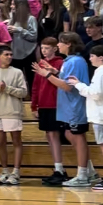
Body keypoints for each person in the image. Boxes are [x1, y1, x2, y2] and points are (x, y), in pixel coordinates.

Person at [33, 32, 98, 187]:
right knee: (69, 134)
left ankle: (83, 174)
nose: (59, 45)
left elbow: (67, 86)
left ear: (68, 44)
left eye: (61, 42)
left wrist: (47, 74)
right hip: (68, 108)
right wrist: (55, 72)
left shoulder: (74, 61)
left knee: (77, 137)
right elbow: (66, 79)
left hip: (74, 106)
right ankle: (90, 171)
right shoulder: (70, 61)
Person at [69, 44, 103, 190]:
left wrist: (78, 85)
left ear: (101, 58)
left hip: (101, 114)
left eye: (92, 56)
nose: (90, 58)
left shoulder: (102, 72)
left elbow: (96, 93)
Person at [0, 46, 28, 185]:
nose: (9, 57)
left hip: (13, 111)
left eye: (10, 54)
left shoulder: (17, 72)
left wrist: (7, 88)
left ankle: (16, 172)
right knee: (1, 142)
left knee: (16, 141)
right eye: (6, 54)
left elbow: (23, 92)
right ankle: (4, 170)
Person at [31, 38, 69, 186]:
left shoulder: (61, 63)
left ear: (55, 48)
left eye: (47, 48)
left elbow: (65, 82)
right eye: (42, 48)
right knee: (49, 136)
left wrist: (54, 72)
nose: (44, 51)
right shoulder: (40, 63)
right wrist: (34, 105)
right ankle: (57, 168)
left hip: (56, 104)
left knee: (55, 135)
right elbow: (35, 85)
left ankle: (60, 169)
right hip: (44, 104)